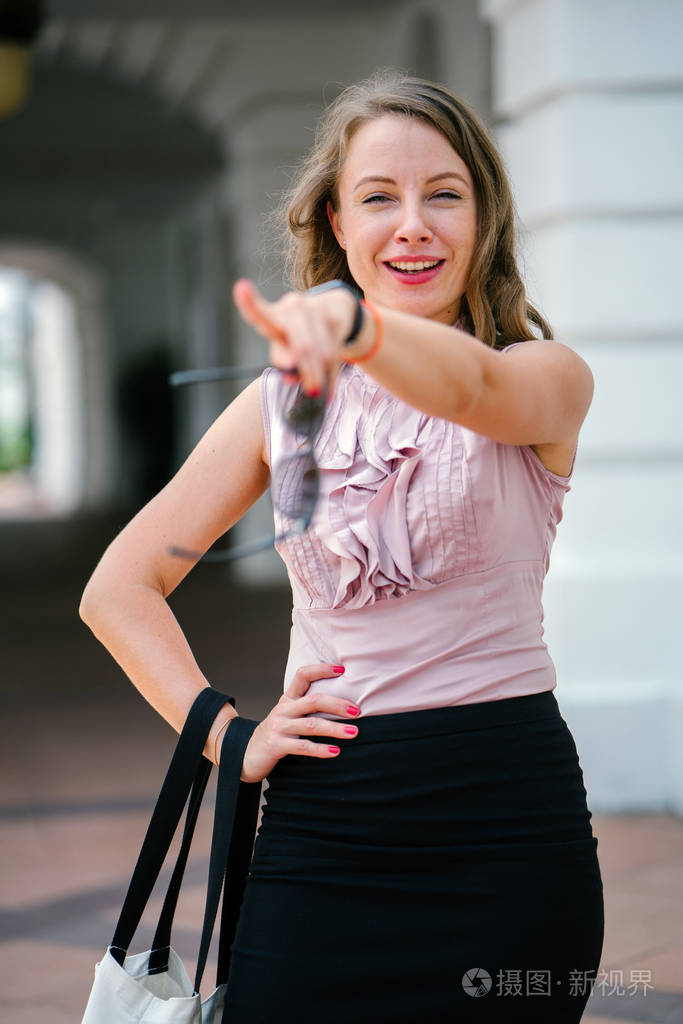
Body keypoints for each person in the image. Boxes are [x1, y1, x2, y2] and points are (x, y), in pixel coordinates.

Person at [80, 70, 604, 1023]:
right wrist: (226, 737)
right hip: (324, 832)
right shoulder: (281, 401)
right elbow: (119, 586)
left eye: (444, 194)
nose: (412, 223)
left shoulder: (544, 374)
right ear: (333, 218)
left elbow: (472, 394)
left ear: (484, 217)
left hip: (506, 835)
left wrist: (355, 327)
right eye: (378, 197)